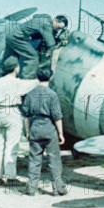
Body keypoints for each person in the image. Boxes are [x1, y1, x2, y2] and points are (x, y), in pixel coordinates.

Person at [0, 56, 38, 186]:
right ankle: (10, 176)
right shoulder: (18, 83)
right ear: (16, 68)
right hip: (12, 113)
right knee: (11, 147)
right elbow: (34, 83)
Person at [20, 66, 67, 196]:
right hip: (49, 129)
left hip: (35, 127)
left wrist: (28, 131)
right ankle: (58, 188)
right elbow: (57, 116)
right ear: (50, 78)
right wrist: (61, 133)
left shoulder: (30, 94)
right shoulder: (52, 94)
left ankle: (31, 188)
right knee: (54, 160)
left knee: (34, 160)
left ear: (37, 77)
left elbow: (25, 116)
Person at [3, 14, 68, 80]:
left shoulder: (43, 19)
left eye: (60, 29)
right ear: (55, 20)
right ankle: (25, 82)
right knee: (33, 58)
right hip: (18, 37)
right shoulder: (47, 24)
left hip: (11, 34)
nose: (57, 29)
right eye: (58, 27)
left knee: (6, 59)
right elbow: (51, 44)